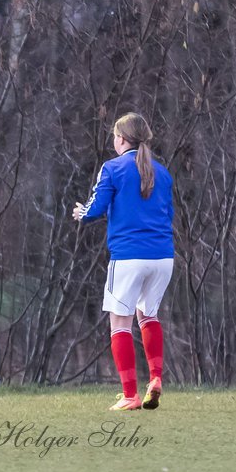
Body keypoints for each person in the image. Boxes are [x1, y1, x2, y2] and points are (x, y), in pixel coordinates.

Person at [72, 112, 175, 411]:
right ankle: (155, 378)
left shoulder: (113, 168)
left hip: (129, 257)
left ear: (121, 139)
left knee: (120, 322)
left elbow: (95, 208)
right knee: (149, 316)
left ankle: (129, 395)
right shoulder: (162, 172)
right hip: (162, 257)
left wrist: (82, 213)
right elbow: (167, 214)